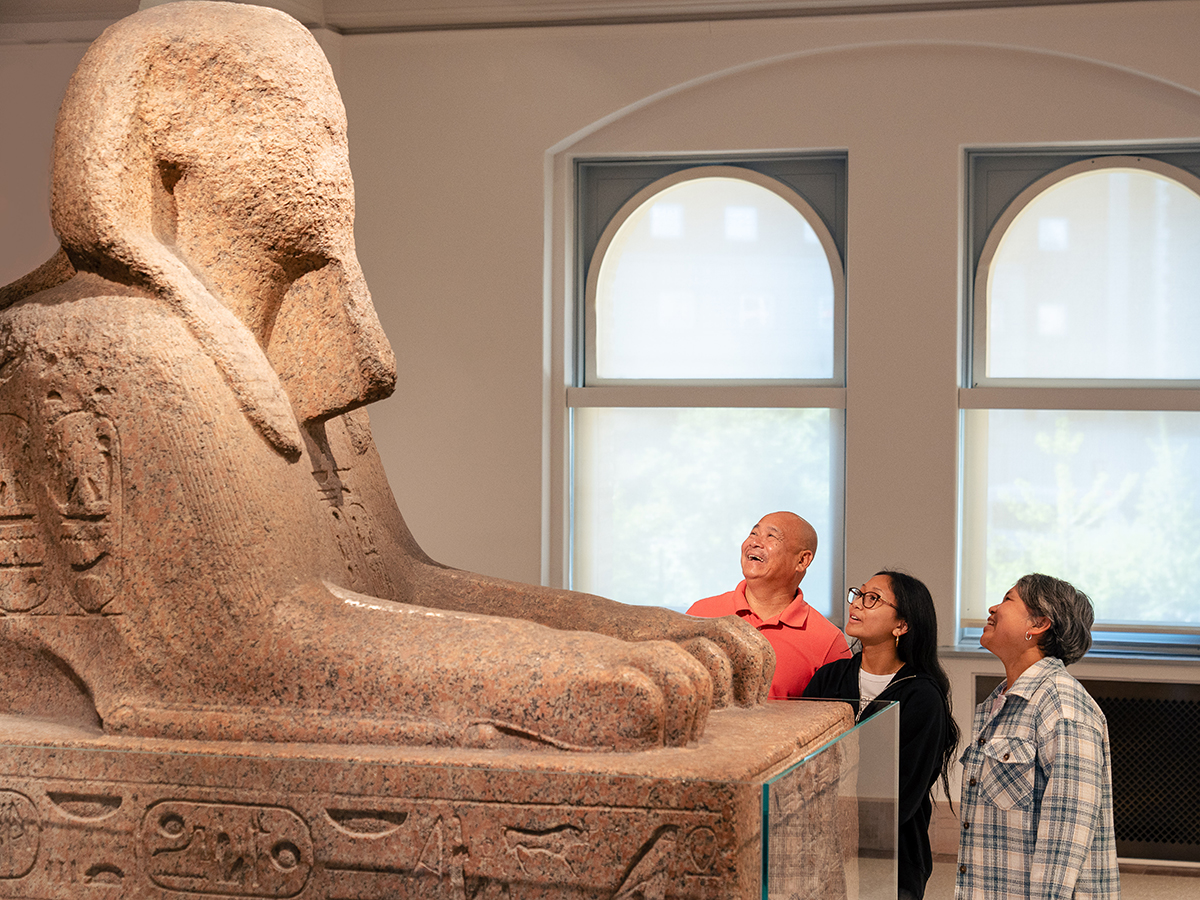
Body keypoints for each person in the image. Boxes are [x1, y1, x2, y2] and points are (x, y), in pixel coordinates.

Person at [0, 1, 774, 751]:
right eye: (277, 111)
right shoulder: (108, 346)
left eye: (332, 125)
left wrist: (620, 628)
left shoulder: (314, 387)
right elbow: (221, 652)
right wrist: (542, 676)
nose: (326, 149)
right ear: (168, 143)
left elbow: (397, 584)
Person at [956, 574, 1119, 900]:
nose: (992, 607)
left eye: (1007, 599)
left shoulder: (1063, 706)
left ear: (1039, 623)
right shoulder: (1001, 701)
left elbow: (1066, 835)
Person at [803, 571, 960, 900]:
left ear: (901, 625)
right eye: (859, 594)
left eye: (872, 598)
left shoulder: (922, 696)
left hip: (892, 855)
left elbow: (903, 795)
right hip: (819, 849)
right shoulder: (831, 677)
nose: (857, 604)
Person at [688, 512, 850, 698]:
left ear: (802, 560)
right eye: (753, 533)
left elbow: (839, 722)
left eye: (771, 536)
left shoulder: (828, 642)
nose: (755, 542)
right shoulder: (700, 613)